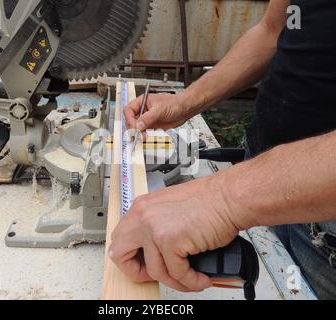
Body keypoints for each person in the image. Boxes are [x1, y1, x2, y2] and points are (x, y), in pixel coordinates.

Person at [109, 0, 336, 299]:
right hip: (257, 170)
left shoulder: (230, 198)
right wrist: (185, 102)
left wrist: (224, 198)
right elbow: (272, 30)